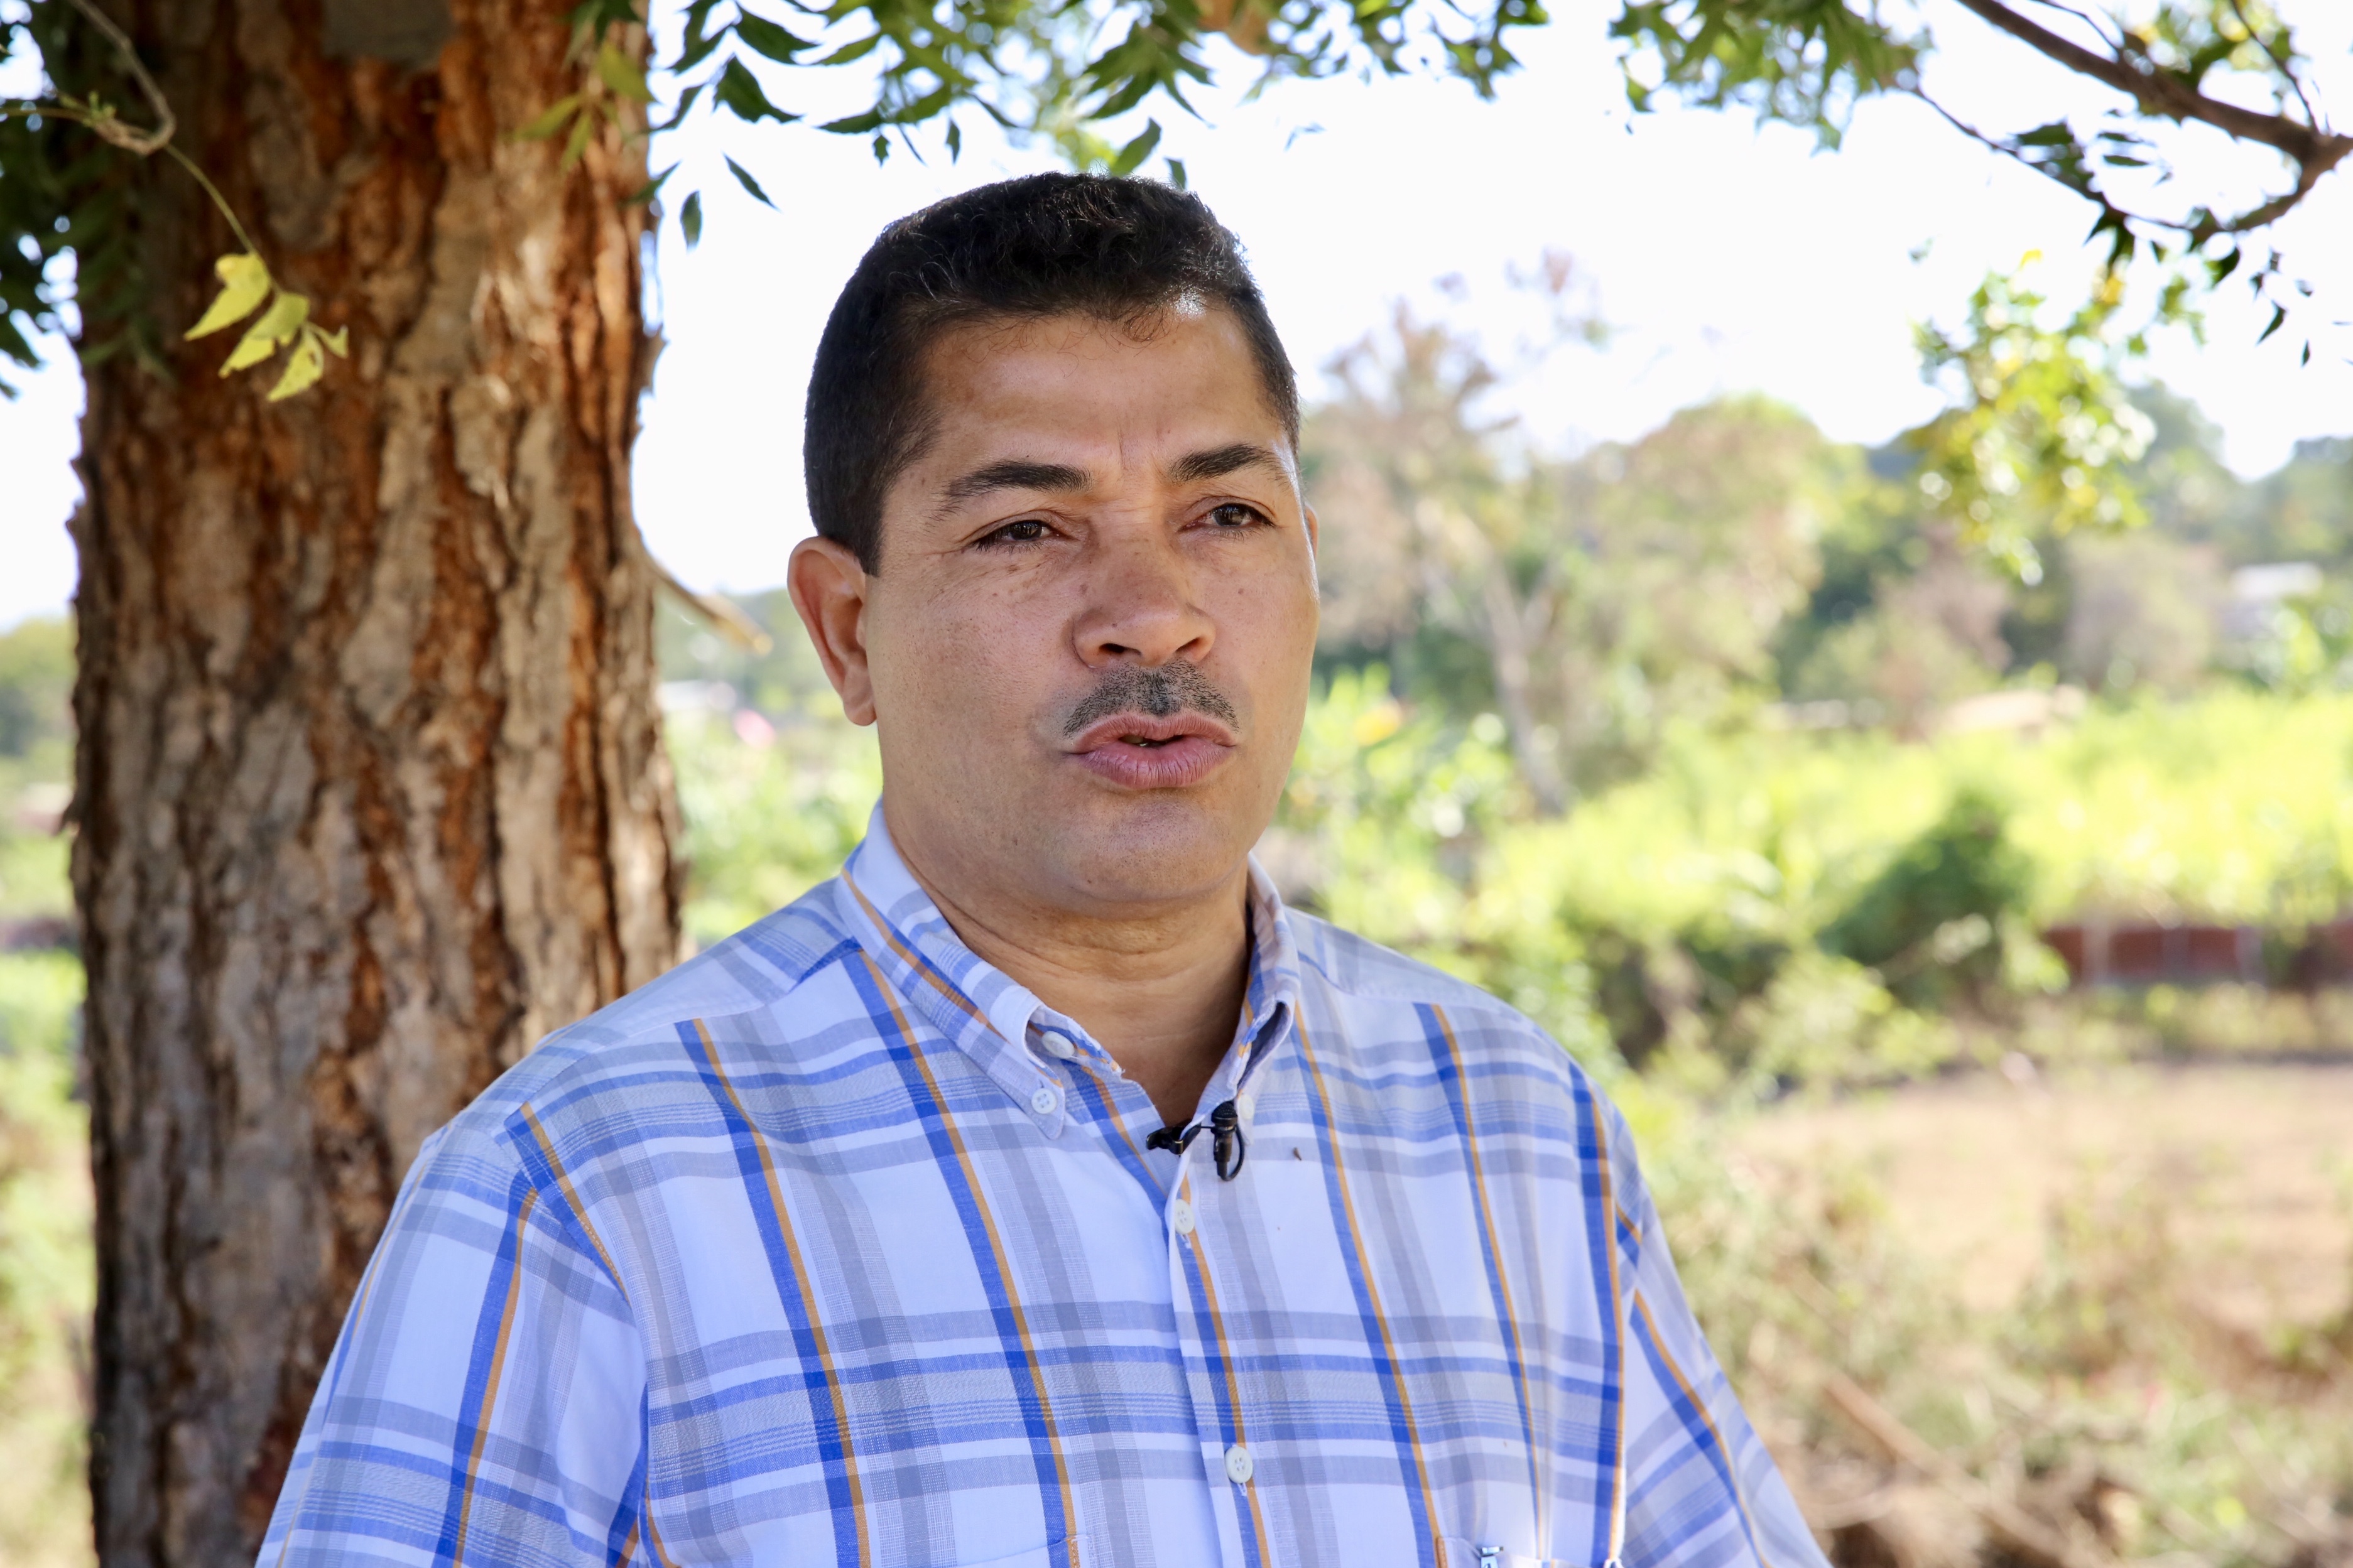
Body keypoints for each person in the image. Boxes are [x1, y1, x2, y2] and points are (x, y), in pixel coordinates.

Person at [258, 173, 1825, 1568]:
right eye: (1026, 530)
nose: (1153, 614)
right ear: (847, 631)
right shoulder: (586, 1189)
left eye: (1225, 512)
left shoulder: (1513, 1132)